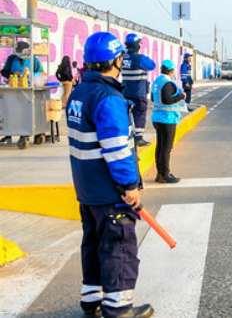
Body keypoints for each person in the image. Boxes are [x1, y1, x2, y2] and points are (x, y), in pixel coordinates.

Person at [66, 31, 153, 318]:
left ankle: (92, 300)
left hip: (87, 189)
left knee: (93, 243)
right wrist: (129, 185)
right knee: (119, 246)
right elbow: (117, 150)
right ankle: (118, 308)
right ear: (116, 60)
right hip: (109, 191)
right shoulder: (108, 98)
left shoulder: (79, 92)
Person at [1, 41, 45, 145]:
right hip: (13, 90)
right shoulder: (12, 58)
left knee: (25, 113)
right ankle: (8, 134)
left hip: (28, 91)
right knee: (10, 112)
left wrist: (32, 76)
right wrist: (12, 75)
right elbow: (4, 71)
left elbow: (41, 73)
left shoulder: (34, 59)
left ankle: (24, 134)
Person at [151, 60, 185, 184]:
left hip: (157, 118)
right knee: (166, 148)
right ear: (171, 71)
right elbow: (167, 100)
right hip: (167, 119)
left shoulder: (157, 81)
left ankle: (160, 174)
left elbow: (154, 98)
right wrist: (181, 96)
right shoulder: (168, 83)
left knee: (160, 147)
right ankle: (165, 174)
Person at [121, 34, 156, 147]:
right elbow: (152, 65)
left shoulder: (122, 58)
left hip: (125, 92)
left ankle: (126, 136)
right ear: (137, 45)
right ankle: (139, 138)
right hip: (138, 92)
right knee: (140, 114)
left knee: (126, 115)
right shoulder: (140, 59)